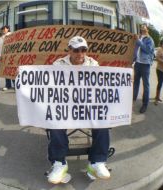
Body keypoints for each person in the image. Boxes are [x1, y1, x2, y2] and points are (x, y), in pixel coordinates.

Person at [47, 36, 111, 184]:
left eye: (83, 50)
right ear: (69, 50)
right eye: (76, 50)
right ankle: (59, 163)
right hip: (65, 106)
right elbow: (45, 83)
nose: (80, 53)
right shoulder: (58, 64)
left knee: (103, 119)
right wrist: (23, 74)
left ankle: (97, 162)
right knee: (54, 121)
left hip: (88, 107)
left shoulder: (93, 64)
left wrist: (127, 79)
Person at [133, 24, 155, 113]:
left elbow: (147, 50)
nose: (142, 27)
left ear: (147, 29)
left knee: (146, 86)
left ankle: (145, 104)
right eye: (141, 27)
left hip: (145, 65)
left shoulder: (150, 39)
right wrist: (133, 59)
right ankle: (133, 98)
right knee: (136, 83)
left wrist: (138, 41)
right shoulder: (139, 37)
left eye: (144, 26)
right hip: (137, 63)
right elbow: (136, 50)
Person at [0, 25, 14, 91]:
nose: (3, 30)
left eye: (4, 29)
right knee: (6, 71)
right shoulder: (0, 38)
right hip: (3, 56)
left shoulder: (12, 35)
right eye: (2, 29)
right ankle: (8, 85)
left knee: (12, 70)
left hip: (11, 55)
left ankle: (16, 85)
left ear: (8, 29)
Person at [154, 40, 163, 105]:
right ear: (161, 45)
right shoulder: (160, 49)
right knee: (160, 83)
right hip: (160, 69)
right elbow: (157, 58)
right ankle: (156, 99)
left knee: (161, 83)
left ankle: (157, 96)